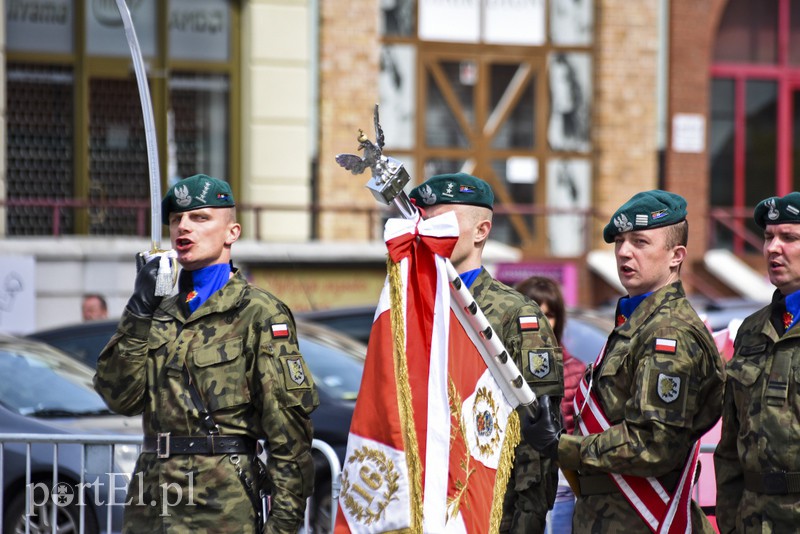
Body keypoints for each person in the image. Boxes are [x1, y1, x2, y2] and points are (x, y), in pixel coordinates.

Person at [94, 174, 318, 533]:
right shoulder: (157, 308)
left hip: (220, 506)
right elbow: (120, 397)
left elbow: (287, 431)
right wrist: (138, 309)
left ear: (232, 232)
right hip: (151, 501)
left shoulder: (257, 312)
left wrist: (284, 523)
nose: (184, 227)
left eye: (200, 218)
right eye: (176, 219)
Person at [521, 190, 724, 532]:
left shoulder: (670, 333)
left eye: (640, 242)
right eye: (620, 241)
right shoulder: (634, 323)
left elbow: (654, 443)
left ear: (677, 256)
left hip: (643, 518)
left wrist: (564, 446)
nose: (624, 252)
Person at [410, 173, 564, 533]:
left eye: (445, 221)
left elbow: (537, 441)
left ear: (481, 231)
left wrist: (525, 524)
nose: (431, 231)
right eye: (426, 222)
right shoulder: (414, 307)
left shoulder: (515, 315)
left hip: (490, 510)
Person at [714, 192, 800, 532]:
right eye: (768, 237)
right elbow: (730, 442)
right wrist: (730, 520)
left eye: (789, 238)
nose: (772, 248)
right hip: (753, 519)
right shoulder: (751, 330)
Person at [514, 276, 584, 534]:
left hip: (560, 490)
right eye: (534, 313)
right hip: (514, 490)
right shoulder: (500, 371)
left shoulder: (576, 371)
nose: (542, 322)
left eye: (550, 314)